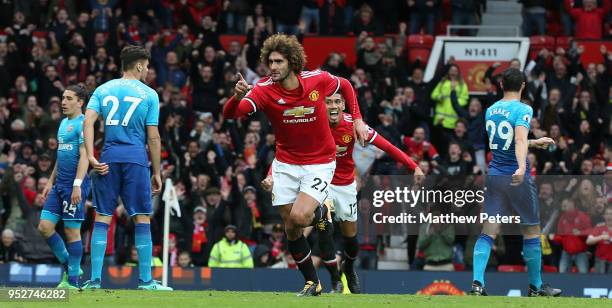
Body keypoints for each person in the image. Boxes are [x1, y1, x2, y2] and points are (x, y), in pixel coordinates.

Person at [223, 33, 369, 296]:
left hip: (320, 162)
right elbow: (231, 114)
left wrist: (357, 119)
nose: (273, 67)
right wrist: (235, 97)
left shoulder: (318, 80)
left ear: (292, 61)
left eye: (278, 61)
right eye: (270, 62)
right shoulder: (264, 90)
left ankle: (322, 214)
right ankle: (312, 283)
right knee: (290, 228)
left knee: (301, 217)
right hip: (286, 163)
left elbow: (346, 85)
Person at [262, 92, 423, 293]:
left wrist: (413, 166)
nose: (332, 106)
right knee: (324, 224)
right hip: (320, 180)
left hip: (345, 184)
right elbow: (284, 153)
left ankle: (348, 267)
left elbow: (387, 146)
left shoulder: (353, 125)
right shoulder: (309, 124)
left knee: (350, 236)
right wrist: (271, 176)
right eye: (328, 102)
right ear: (321, 104)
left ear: (344, 105)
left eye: (337, 101)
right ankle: (334, 278)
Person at [82, 45, 172, 291]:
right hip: (135, 158)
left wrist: (91, 155)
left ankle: (95, 280)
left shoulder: (103, 89)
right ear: (140, 64)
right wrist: (156, 171)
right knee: (141, 217)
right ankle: (145, 281)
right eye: (147, 66)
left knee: (102, 216)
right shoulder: (150, 94)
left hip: (108, 157)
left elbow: (87, 121)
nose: (148, 70)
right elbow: (153, 138)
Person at [470, 68, 561, 297]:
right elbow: (519, 139)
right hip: (515, 176)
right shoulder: (523, 108)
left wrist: (534, 142)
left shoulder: (491, 110)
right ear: (522, 86)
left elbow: (505, 141)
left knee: (488, 231)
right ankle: (536, 286)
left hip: (495, 175)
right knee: (531, 230)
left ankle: (477, 284)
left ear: (501, 85)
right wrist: (521, 166)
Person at [38, 84, 91, 289]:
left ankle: (72, 281)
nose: (63, 102)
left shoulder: (84, 123)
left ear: (80, 102)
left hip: (74, 186)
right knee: (45, 227)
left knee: (71, 232)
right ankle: (72, 266)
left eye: (69, 98)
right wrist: (50, 181)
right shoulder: (62, 123)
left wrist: (77, 185)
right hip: (59, 185)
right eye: (63, 97)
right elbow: (61, 156)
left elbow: (85, 156)